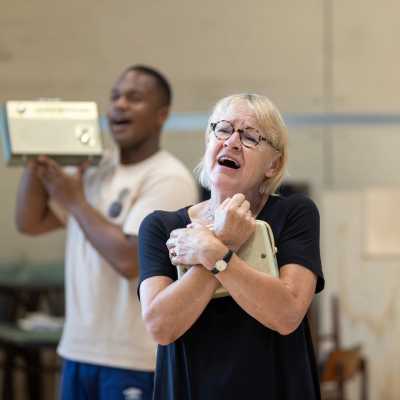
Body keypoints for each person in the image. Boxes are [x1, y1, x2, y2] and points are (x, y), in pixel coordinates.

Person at [15, 65, 199, 400]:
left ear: (161, 115)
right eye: (115, 96)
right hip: (78, 351)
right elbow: (30, 222)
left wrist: (76, 201)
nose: (120, 105)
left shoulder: (168, 177)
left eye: (134, 98)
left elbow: (130, 260)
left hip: (131, 358)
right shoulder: (95, 169)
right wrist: (35, 151)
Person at [138, 93, 324, 400]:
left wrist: (214, 252)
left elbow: (287, 315)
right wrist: (225, 239)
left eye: (251, 136)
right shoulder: (161, 227)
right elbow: (161, 325)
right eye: (222, 129)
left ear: (273, 164)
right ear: (209, 142)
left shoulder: (295, 213)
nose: (232, 142)